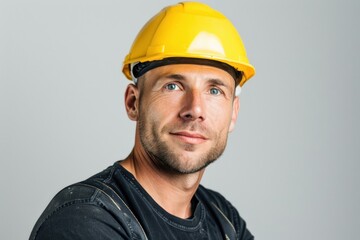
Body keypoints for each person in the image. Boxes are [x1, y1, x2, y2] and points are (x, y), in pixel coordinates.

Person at [30, 2, 255, 239]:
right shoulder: (85, 219)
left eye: (215, 90)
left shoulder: (224, 220)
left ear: (233, 113)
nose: (195, 109)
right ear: (133, 103)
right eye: (173, 86)